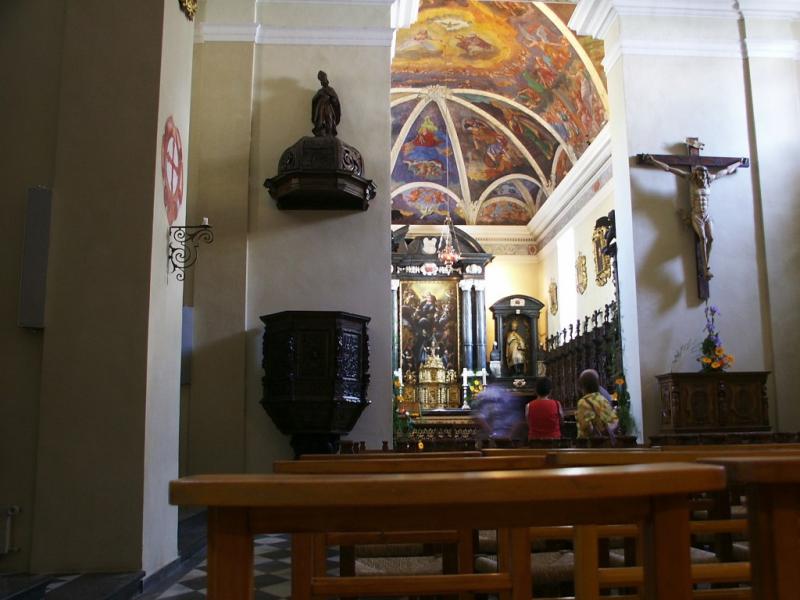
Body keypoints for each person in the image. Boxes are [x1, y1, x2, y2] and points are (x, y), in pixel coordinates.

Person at [643, 154, 741, 279]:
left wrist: (739, 163)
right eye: (699, 174)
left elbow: (727, 171)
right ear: (695, 175)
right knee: (703, 238)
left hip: (706, 215)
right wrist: (653, 161)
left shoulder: (710, 180)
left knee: (711, 239)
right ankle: (705, 268)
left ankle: (706, 264)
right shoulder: (690, 179)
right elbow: (668, 168)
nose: (702, 177)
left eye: (703, 175)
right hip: (696, 215)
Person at [576, 369, 618, 440]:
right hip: (604, 444)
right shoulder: (604, 400)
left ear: (583, 386)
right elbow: (615, 421)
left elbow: (586, 427)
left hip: (588, 445)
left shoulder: (583, 402)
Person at [311, 71, 340, 137]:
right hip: (320, 108)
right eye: (322, 80)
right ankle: (320, 131)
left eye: (324, 80)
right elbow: (314, 100)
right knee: (320, 120)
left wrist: (332, 98)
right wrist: (319, 96)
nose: (323, 82)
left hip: (328, 107)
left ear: (327, 80)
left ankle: (329, 132)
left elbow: (335, 101)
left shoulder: (331, 89)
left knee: (329, 119)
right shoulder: (320, 91)